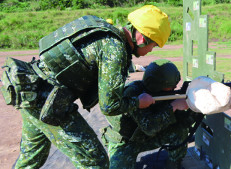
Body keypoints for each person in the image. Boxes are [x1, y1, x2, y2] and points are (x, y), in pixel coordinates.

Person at [0, 5, 170, 169]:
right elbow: (109, 106)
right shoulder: (115, 49)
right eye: (153, 45)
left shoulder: (104, 30)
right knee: (96, 161)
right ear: (142, 37)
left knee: (32, 157)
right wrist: (138, 102)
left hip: (31, 90)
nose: (150, 51)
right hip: (49, 103)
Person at [101, 59, 204, 169]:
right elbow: (149, 127)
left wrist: (194, 108)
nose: (174, 89)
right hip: (125, 142)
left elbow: (184, 122)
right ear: (158, 85)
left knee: (180, 131)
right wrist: (173, 106)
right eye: (171, 86)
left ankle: (174, 164)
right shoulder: (133, 93)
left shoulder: (163, 94)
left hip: (147, 138)